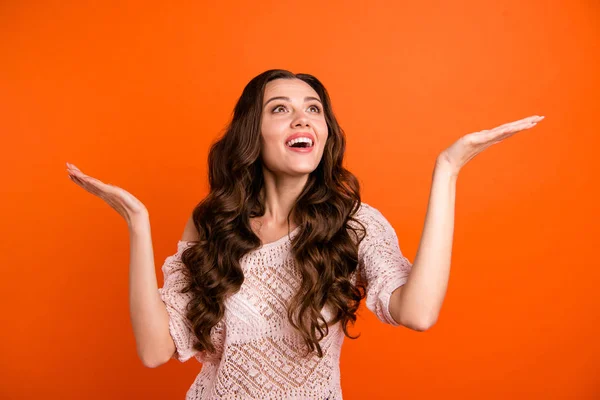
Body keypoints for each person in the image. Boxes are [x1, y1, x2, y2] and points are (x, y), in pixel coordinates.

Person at [66, 69, 544, 399]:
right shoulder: (213, 223)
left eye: (313, 109)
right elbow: (155, 351)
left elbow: (416, 313)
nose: (302, 118)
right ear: (252, 133)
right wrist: (138, 225)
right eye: (280, 109)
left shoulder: (352, 223)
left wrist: (448, 170)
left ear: (323, 131)